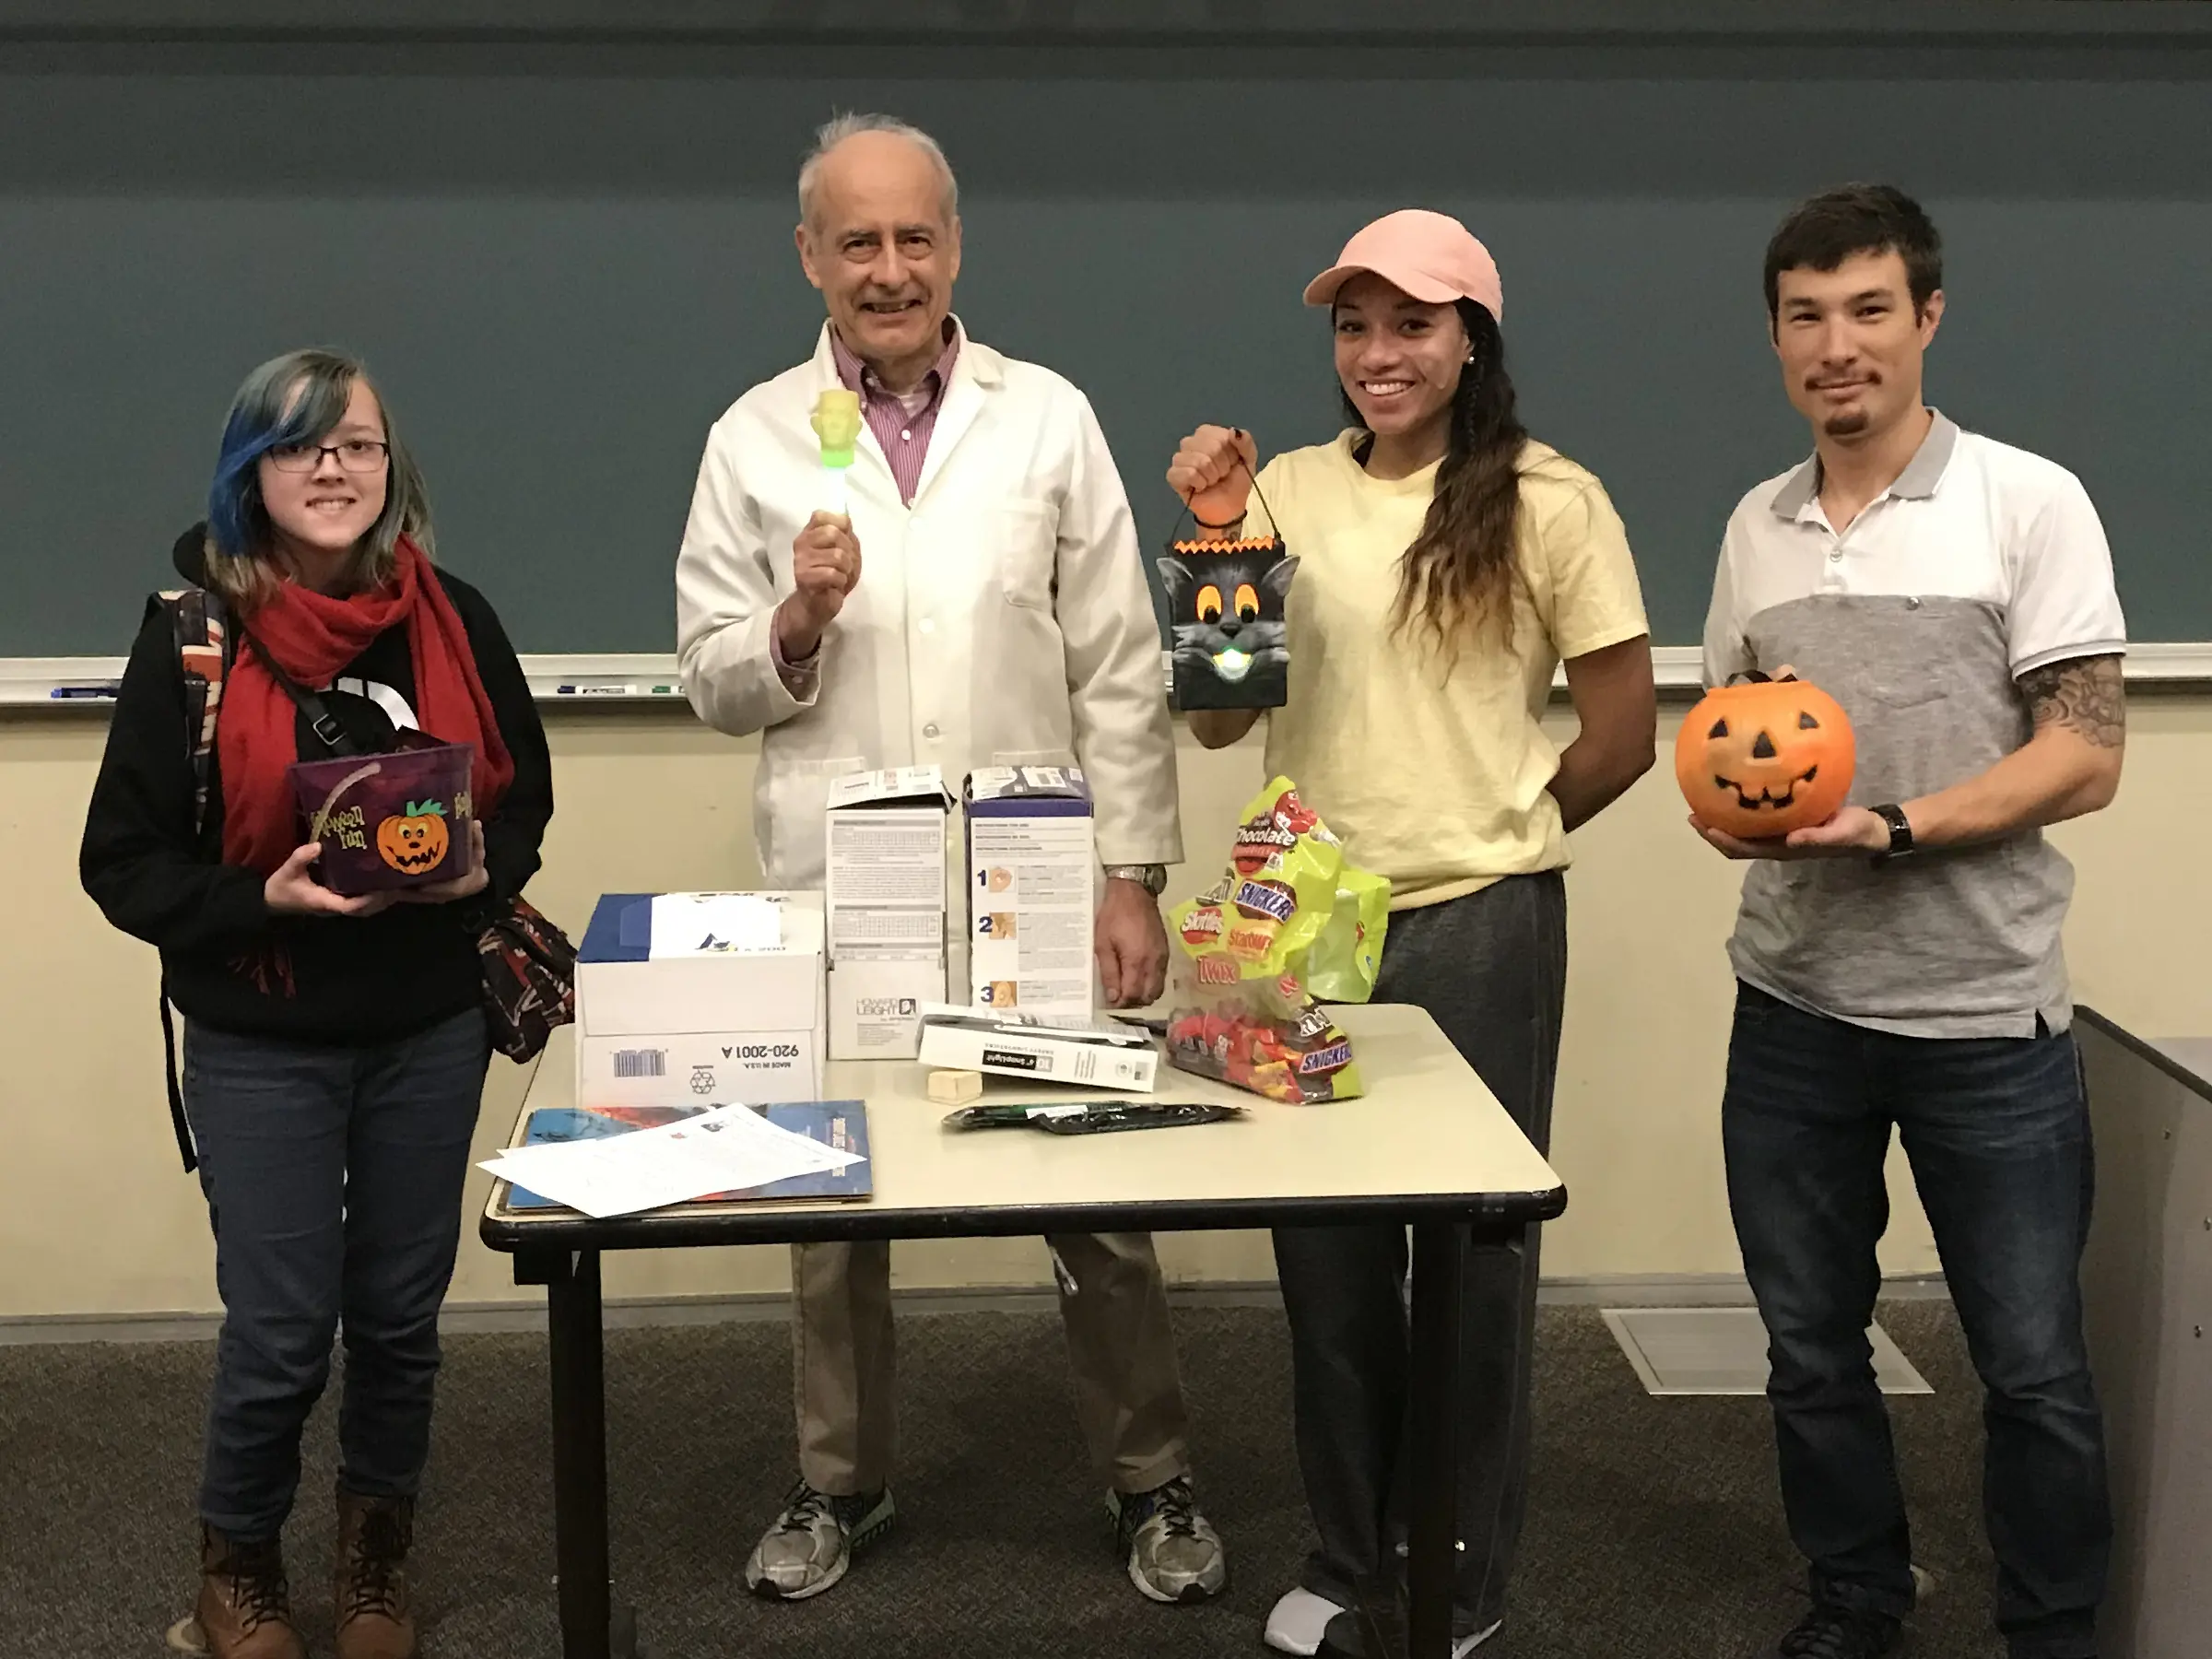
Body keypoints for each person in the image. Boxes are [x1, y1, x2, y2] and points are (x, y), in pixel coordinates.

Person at [676, 112, 1226, 1606]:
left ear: (956, 248)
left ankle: (1150, 1475)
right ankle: (840, 1481)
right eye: (857, 240)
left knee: (1096, 1198)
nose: (889, 266)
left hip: (1034, 880)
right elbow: (709, 679)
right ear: (811, 257)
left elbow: (1119, 663)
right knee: (829, 1201)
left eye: (915, 236)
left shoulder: (1045, 417)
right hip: (838, 887)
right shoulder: (753, 438)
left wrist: (1134, 874)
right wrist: (791, 624)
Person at [1168, 208, 1657, 1656]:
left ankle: (1457, 1570)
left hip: (1477, 930)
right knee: (1324, 1268)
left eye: (1413, 324)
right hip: (1295, 934)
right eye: (1355, 326)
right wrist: (1213, 533)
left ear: (1471, 340)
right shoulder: (1286, 492)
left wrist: (1492, 832)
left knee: (1471, 1266)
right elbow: (1215, 710)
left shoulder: (1550, 500)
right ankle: (1346, 1549)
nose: (1379, 354)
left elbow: (1623, 734)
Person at [1695, 184, 2124, 1659]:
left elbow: (2088, 752)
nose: (1839, 346)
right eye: (1806, 317)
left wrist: (1894, 826)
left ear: (1926, 319)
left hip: (1984, 1019)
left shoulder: (2028, 500)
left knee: (2032, 1369)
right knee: (1813, 1350)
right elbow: (1732, 734)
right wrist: (1730, 811)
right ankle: (1857, 1600)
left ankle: (2054, 1632)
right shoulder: (1756, 527)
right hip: (1795, 1007)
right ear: (1775, 337)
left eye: (1870, 310)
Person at [80, 349, 554, 1659]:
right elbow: (119, 864)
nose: (335, 468)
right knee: (285, 1330)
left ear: (392, 468)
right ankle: (236, 1568)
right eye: (301, 447)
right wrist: (264, 902)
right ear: (253, 476)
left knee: (401, 1321)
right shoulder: (191, 637)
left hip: (425, 1025)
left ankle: (375, 1561)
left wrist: (476, 868)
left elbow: (523, 803)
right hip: (261, 1035)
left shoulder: (453, 616)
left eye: (357, 444)